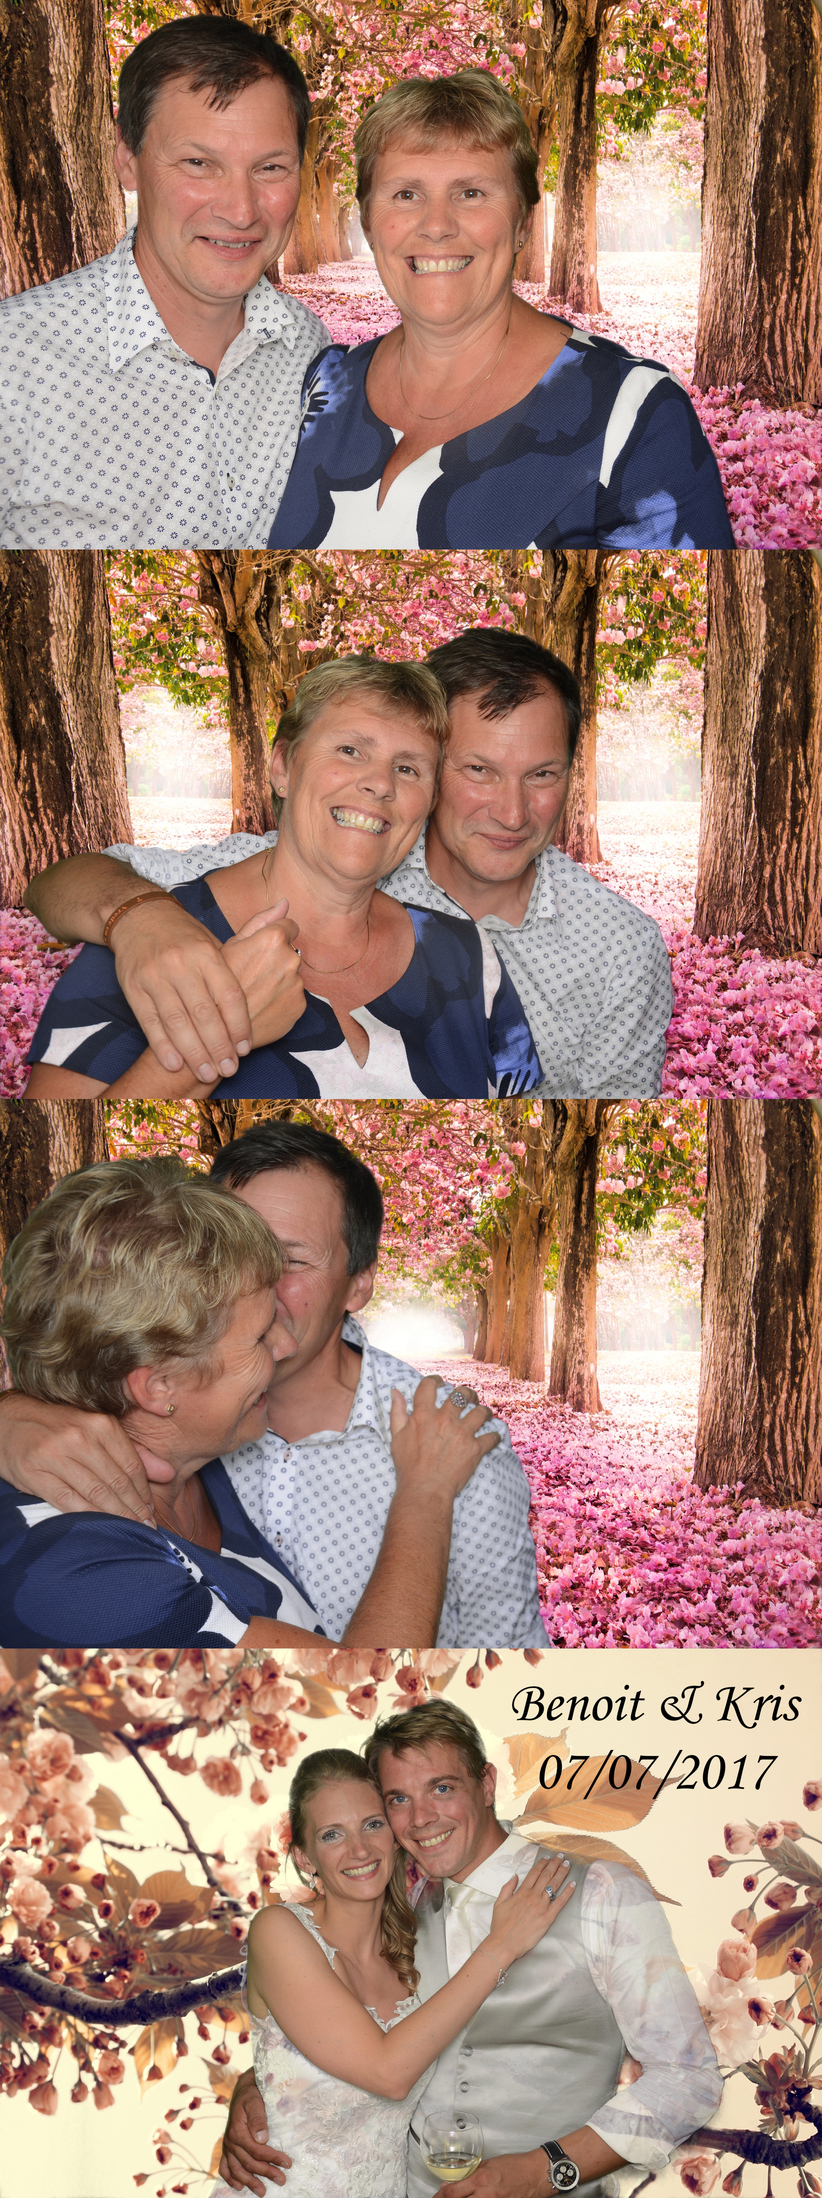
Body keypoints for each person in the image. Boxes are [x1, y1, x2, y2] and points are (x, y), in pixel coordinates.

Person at [24, 630, 672, 1097]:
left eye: (407, 767)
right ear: (282, 765)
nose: (511, 812)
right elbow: (71, 880)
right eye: (479, 769)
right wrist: (140, 918)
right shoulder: (167, 936)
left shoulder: (510, 955)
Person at [0, 1121, 545, 1647]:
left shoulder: (453, 1445)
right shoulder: (176, 1441)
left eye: (289, 1259)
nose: (261, 1284)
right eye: (229, 1255)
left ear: (360, 1283)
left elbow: (508, 1664)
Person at [219, 1701, 723, 2198]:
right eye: (398, 1800)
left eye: (441, 1788)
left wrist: (545, 2171)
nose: (421, 1818)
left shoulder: (601, 1893)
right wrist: (260, 2083)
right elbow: (351, 2045)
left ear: (486, 1785)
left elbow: (688, 2080)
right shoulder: (400, 1915)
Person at [266, 71, 734, 551]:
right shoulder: (322, 383)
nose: (436, 225)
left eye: (471, 192)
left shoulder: (636, 415)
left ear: (523, 222)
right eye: (406, 194)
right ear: (368, 222)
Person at [0, 19, 328, 549]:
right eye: (198, 163)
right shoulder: (14, 362)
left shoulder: (309, 348)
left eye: (270, 168)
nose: (241, 211)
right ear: (127, 162)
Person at [209, 1746, 573, 2198]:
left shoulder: (417, 1950)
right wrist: (502, 1945)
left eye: (373, 1824)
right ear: (304, 1857)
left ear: (396, 1834)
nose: (359, 1849)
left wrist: (252, 2082)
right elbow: (388, 2072)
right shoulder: (278, 1931)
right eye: (332, 1835)